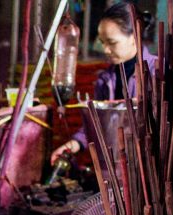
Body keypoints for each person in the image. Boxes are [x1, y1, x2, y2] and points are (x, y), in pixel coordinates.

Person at [51, 2, 157, 164]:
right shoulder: (105, 80)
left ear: (135, 35)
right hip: (116, 165)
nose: (106, 50)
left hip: (148, 166)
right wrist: (73, 144)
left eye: (112, 43)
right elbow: (97, 126)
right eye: (103, 42)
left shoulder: (157, 72)